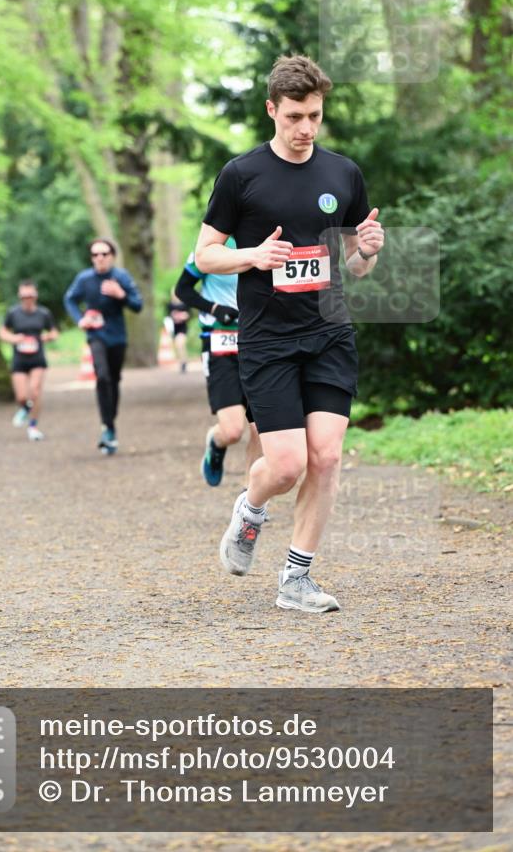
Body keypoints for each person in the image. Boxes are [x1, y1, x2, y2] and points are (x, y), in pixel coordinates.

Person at [194, 54, 385, 614]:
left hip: (328, 333)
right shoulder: (241, 175)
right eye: (295, 116)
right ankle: (250, 511)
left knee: (326, 458)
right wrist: (253, 254)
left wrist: (368, 252)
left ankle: (296, 579)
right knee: (285, 465)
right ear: (272, 110)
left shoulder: (342, 174)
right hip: (268, 340)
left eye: (315, 117)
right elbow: (205, 255)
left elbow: (354, 264)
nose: (305, 129)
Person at [174, 241, 262, 487]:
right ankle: (216, 441)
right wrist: (214, 308)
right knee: (233, 431)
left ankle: (249, 499)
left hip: (259, 341)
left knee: (261, 429)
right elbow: (182, 289)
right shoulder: (212, 245)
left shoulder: (266, 237)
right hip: (219, 342)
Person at [64, 238, 143, 454]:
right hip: (96, 335)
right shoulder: (85, 279)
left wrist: (121, 295)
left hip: (117, 337)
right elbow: (69, 299)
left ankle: (110, 424)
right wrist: (80, 319)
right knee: (102, 376)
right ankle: (107, 427)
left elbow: (138, 305)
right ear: (91, 258)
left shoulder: (121, 277)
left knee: (114, 380)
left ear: (112, 256)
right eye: (95, 254)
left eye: (104, 254)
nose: (100, 258)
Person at [0, 280, 58, 441]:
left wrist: (46, 337)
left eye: (30, 295)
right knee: (22, 396)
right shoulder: (13, 313)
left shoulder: (43, 314)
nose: (27, 299)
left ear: (36, 296)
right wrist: (14, 338)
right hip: (19, 359)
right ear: (19, 296)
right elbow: (2, 332)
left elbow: (54, 332)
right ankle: (25, 409)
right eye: (24, 296)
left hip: (37, 358)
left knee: (35, 390)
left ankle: (33, 426)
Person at [165, 291, 190, 373]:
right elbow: (167, 317)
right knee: (178, 346)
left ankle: (183, 362)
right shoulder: (169, 305)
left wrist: (183, 316)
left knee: (180, 343)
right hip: (173, 328)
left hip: (182, 328)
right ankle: (182, 360)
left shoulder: (185, 304)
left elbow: (189, 315)